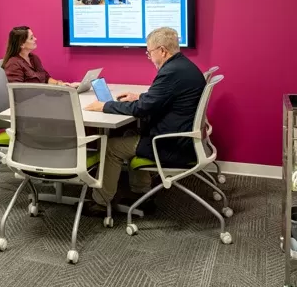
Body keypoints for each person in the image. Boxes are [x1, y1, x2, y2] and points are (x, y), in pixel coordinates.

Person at [83, 27, 206, 216]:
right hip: (183, 139)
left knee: (112, 147)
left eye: (149, 52)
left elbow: (141, 109)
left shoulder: (170, 71)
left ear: (162, 50)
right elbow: (162, 97)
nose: (148, 57)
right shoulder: (183, 66)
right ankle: (142, 195)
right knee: (130, 135)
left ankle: (100, 203)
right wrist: (140, 95)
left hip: (170, 145)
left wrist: (104, 106)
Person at [2, 26, 79, 86]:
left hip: (42, 97)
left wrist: (61, 85)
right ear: (22, 44)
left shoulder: (34, 58)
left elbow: (46, 78)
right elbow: (17, 92)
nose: (35, 39)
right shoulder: (13, 64)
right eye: (31, 38)